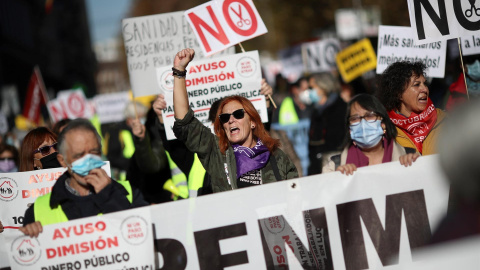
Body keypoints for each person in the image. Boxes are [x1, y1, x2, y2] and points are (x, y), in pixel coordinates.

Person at [172, 48, 298, 192]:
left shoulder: (276, 157)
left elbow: (295, 196)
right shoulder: (218, 154)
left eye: (238, 114)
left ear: (252, 122)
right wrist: (179, 72)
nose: (231, 120)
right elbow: (184, 121)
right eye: (225, 118)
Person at [20, 119, 148, 237]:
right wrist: (31, 235)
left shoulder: (129, 192)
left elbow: (145, 235)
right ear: (62, 160)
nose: (88, 160)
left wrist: (111, 197)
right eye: (79, 155)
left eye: (94, 152)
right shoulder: (38, 211)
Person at [323, 94, 420, 175]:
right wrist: (336, 180)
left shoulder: (411, 155)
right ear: (350, 130)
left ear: (383, 124)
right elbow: (324, 194)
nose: (363, 124)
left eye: (369, 116)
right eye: (355, 119)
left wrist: (416, 166)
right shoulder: (333, 167)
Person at [377, 61, 446, 155]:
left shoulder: (445, 120)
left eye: (425, 84)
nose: (425, 89)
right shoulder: (384, 131)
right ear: (398, 93)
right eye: (417, 84)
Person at [308, 72, 348, 175]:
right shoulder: (316, 110)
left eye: (312, 87)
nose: (309, 91)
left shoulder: (341, 108)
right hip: (317, 164)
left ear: (323, 87)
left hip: (335, 163)